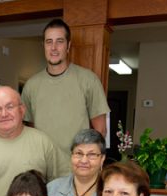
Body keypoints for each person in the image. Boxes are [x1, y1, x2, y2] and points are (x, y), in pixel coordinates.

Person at [22, 19, 110, 170]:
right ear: (43, 45)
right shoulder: (31, 86)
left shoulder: (88, 79)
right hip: (42, 170)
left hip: (77, 170)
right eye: (49, 42)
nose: (54, 48)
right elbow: (29, 131)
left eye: (60, 41)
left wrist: (87, 165)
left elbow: (100, 131)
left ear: (68, 46)